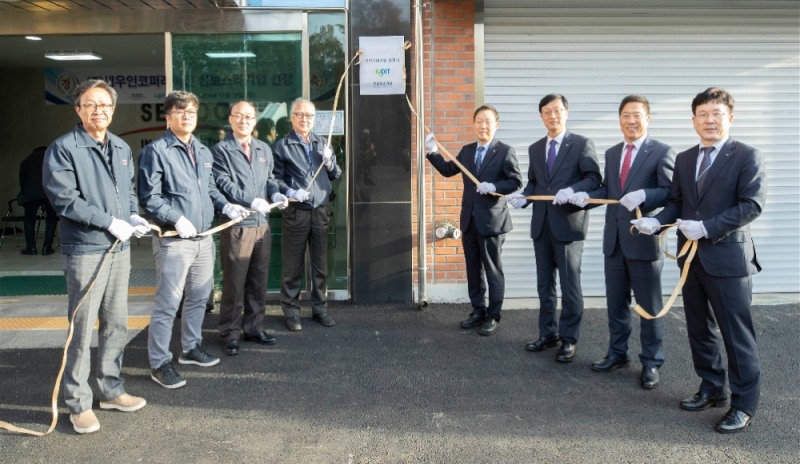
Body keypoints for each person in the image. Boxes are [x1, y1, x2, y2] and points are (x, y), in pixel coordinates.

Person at [631, 87, 766, 433]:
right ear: (693, 120)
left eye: (716, 114)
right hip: (690, 260)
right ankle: (712, 387)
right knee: (699, 329)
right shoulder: (686, 158)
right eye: (703, 114)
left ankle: (743, 404)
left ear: (730, 118)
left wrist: (706, 227)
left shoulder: (746, 156)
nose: (709, 120)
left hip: (729, 260)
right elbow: (678, 203)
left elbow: (751, 205)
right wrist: (657, 220)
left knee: (737, 336)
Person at [42, 79, 149, 434]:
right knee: (82, 328)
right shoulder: (63, 149)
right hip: (85, 249)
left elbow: (129, 190)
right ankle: (78, 403)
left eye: (104, 105)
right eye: (90, 104)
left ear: (113, 110)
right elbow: (66, 200)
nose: (98, 111)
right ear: (78, 109)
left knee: (117, 323)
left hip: (119, 249)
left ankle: (110, 389)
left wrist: (132, 216)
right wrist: (109, 222)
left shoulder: (120, 146)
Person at [138, 90, 249, 389]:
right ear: (168, 115)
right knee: (168, 303)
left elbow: (210, 188)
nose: (187, 116)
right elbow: (150, 198)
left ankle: (189, 348)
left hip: (203, 238)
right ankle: (159, 363)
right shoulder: (156, 151)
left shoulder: (202, 150)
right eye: (180, 111)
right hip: (175, 240)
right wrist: (177, 218)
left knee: (200, 297)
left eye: (192, 112)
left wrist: (226, 205)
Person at [568, 95, 675, 389]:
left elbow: (669, 192)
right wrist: (584, 199)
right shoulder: (614, 152)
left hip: (643, 241)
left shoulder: (662, 152)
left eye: (637, 115)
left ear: (648, 118)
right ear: (619, 120)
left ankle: (651, 362)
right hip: (614, 242)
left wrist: (645, 196)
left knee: (648, 307)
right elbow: (608, 190)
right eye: (626, 115)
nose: (631, 120)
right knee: (616, 304)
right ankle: (617, 353)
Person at [508, 93, 601, 363]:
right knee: (544, 285)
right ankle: (547, 333)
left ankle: (569, 339)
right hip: (542, 226)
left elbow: (594, 178)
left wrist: (573, 189)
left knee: (570, 286)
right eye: (547, 111)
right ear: (541, 116)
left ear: (567, 113)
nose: (553, 115)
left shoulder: (582, 144)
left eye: (558, 110)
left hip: (569, 225)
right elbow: (535, 184)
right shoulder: (536, 148)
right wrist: (523, 198)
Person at [425, 105, 522, 335]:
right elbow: (449, 170)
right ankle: (477, 310)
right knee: (473, 269)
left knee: (492, 270)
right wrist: (433, 151)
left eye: (488, 121)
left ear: (496, 125)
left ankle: (493, 315)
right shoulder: (467, 151)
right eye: (479, 121)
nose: (483, 126)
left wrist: (494, 187)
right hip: (469, 220)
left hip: (492, 222)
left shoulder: (505, 151)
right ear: (473, 124)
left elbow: (515, 181)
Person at [212, 101, 289, 356]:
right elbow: (223, 182)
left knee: (259, 281)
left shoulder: (263, 148)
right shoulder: (221, 150)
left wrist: (276, 194)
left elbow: (270, 180)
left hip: (261, 225)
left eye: (249, 116)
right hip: (238, 225)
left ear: (255, 121)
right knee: (235, 283)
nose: (244, 120)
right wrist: (250, 200)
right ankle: (230, 333)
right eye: (239, 116)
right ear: (231, 119)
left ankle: (254, 328)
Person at [272, 98, 341, 331]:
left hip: (320, 210)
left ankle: (320, 308)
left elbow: (336, 173)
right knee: (292, 264)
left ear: (314, 119)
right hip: (296, 212)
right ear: (292, 117)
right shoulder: (282, 146)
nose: (305, 119)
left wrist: (330, 163)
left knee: (320, 264)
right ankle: (291, 311)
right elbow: (274, 179)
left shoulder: (321, 142)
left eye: (309, 116)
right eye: (300, 115)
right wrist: (290, 191)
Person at [17, 146, 58, 255]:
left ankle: (31, 248)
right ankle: (46, 248)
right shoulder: (52, 159)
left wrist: (25, 192)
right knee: (51, 219)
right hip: (49, 193)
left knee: (29, 221)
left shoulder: (26, 161)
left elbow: (22, 180)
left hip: (31, 194)